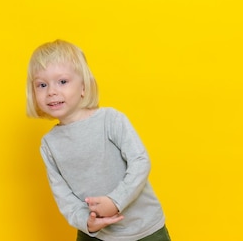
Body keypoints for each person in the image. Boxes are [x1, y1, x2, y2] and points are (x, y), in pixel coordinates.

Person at [26, 39, 170, 241]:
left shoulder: (110, 120)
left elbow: (140, 162)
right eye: (42, 85)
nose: (51, 91)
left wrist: (115, 201)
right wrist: (86, 222)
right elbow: (64, 197)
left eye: (62, 82)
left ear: (83, 87)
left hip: (143, 229)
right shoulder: (49, 144)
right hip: (94, 234)